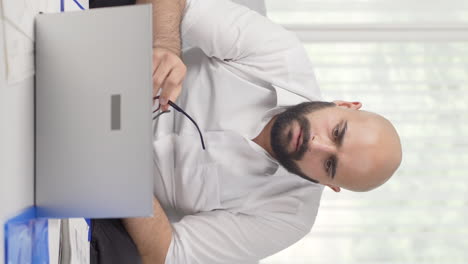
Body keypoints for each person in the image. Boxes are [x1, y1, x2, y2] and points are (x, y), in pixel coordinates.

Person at [91, 0, 403, 263]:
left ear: (330, 184)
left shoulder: (290, 217)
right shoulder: (282, 54)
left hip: (121, 195)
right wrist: (165, 46)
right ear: (345, 106)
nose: (316, 145)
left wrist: (125, 170)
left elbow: (172, 253)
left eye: (330, 165)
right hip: (117, 72)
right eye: (337, 132)